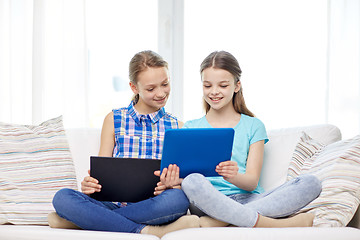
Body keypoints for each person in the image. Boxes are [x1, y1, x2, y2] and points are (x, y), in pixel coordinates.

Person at [48, 50, 199, 237]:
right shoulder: (114, 119)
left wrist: (172, 184)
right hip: (112, 202)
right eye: (151, 89)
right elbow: (102, 171)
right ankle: (143, 229)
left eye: (165, 84)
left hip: (154, 204)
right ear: (134, 87)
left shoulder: (178, 126)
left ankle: (87, 221)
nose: (161, 93)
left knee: (178, 199)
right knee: (62, 197)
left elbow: (178, 178)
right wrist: (91, 184)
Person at [178, 50, 322, 228]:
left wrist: (233, 176)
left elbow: (251, 182)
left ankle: (222, 221)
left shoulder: (254, 126)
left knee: (311, 183)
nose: (214, 92)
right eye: (207, 86)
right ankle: (270, 224)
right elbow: (185, 180)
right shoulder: (190, 128)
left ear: (237, 86)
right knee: (191, 181)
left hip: (250, 199)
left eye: (223, 85)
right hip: (209, 202)